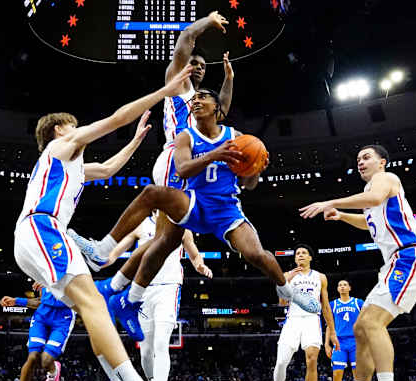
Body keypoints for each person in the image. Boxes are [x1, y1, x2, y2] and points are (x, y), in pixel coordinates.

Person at [12, 65, 196, 381]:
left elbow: (109, 168)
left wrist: (136, 141)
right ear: (58, 129)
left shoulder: (71, 165)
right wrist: (166, 91)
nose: (77, 127)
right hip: (41, 227)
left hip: (42, 235)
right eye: (72, 123)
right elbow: (114, 118)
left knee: (93, 307)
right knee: (93, 302)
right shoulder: (59, 145)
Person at [68, 88, 321, 342]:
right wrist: (215, 154)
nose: (196, 101)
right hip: (194, 202)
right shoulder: (185, 136)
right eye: (194, 99)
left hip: (226, 209)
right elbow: (183, 170)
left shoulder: (237, 137)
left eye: (203, 98)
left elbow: (248, 184)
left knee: (256, 254)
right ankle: (104, 252)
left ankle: (289, 292)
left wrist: (255, 170)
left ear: (216, 107)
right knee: (152, 195)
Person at [68, 10, 233, 301]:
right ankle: (104, 251)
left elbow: (223, 112)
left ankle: (119, 290)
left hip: (189, 165)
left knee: (165, 240)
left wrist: (229, 78)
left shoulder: (201, 102)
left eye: (203, 66)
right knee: (161, 231)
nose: (198, 68)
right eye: (194, 62)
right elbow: (186, 37)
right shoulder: (177, 82)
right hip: (174, 158)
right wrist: (207, 21)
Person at [300, 144, 416, 381]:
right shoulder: (372, 196)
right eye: (358, 158)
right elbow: (368, 220)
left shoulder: (386, 180)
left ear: (382, 162)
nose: (360, 162)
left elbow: (372, 200)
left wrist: (331, 203)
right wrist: (342, 216)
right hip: (394, 263)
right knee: (361, 328)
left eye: (366, 157)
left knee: (372, 323)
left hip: (410, 257)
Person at [106, 214, 212, 381]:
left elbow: (194, 254)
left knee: (161, 342)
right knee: (146, 351)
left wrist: (200, 265)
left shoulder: (182, 225)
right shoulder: (140, 225)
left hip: (169, 288)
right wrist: (97, 260)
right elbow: (114, 253)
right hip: (143, 290)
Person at [271, 244, 338, 381]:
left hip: (311, 321)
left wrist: (331, 331)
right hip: (292, 320)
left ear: (310, 257)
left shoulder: (320, 277)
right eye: (297, 253)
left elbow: (325, 306)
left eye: (304, 253)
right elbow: (283, 302)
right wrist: (286, 281)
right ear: (295, 259)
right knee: (281, 362)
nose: (300, 255)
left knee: (312, 359)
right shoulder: (286, 276)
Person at [1, 284, 76, 381]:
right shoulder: (41, 271)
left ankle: (53, 372)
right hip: (42, 316)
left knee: (46, 360)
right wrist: (17, 301)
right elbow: (41, 301)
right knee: (33, 356)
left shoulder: (72, 271)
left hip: (63, 317)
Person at [325, 280, 363, 381]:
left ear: (350, 287)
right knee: (336, 375)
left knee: (358, 376)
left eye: (345, 284)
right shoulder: (333, 304)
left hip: (355, 342)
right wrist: (326, 344)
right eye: (340, 285)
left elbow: (365, 323)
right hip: (339, 343)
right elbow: (330, 326)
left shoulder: (358, 303)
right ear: (337, 289)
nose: (342, 286)